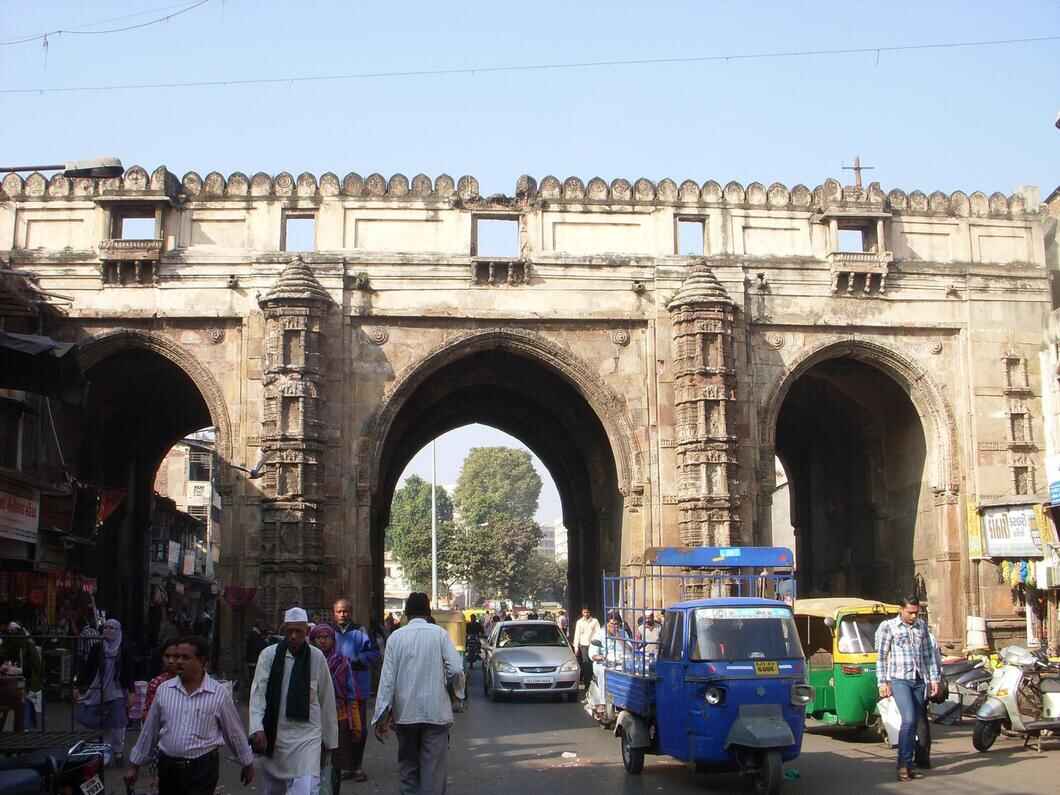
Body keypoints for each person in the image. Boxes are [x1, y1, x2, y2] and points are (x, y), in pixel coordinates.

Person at [125, 636, 254, 795]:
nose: (178, 661)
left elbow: (234, 732)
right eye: (177, 656)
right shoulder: (164, 690)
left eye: (185, 657)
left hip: (202, 769)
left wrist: (247, 763)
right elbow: (149, 731)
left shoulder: (218, 693)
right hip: (168, 768)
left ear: (202, 661)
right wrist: (134, 765)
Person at [372, 593, 464, 795]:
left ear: (406, 613)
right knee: (433, 772)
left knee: (408, 770)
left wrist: (381, 716)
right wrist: (457, 693)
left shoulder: (396, 637)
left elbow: (387, 680)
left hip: (405, 716)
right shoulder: (439, 634)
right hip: (436, 714)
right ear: (428, 611)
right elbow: (456, 669)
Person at [250, 607, 339, 795]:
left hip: (307, 737)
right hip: (276, 735)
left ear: (306, 631)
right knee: (275, 790)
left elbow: (326, 700)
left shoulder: (316, 657)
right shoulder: (268, 656)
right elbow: (258, 694)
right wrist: (257, 727)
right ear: (283, 631)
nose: (293, 636)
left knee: (305, 789)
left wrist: (330, 743)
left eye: (298, 631)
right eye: (289, 631)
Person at [875, 595, 941, 783]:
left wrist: (934, 679)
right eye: (910, 612)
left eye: (916, 612)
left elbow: (929, 654)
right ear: (900, 610)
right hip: (899, 680)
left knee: (918, 722)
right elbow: (881, 656)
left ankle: (910, 763)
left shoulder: (922, 627)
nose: (913, 616)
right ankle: (903, 764)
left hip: (919, 680)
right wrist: (883, 682)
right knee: (909, 719)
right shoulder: (888, 627)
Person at [330, 598, 379, 784]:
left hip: (357, 687)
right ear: (333, 613)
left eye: (346, 611)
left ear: (350, 612)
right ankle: (345, 765)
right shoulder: (328, 633)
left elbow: (374, 654)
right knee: (339, 728)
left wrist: (357, 659)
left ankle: (357, 766)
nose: (342, 614)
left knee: (358, 727)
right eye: (339, 611)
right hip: (335, 689)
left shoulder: (361, 632)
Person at [309, 625, 361, 795]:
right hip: (312, 719)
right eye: (319, 637)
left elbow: (351, 693)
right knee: (312, 762)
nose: (323, 641)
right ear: (313, 640)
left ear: (333, 639)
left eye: (327, 637)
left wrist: (356, 724)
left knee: (335, 765)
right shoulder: (307, 661)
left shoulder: (342, 662)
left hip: (339, 718)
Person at [75, 618, 134, 762]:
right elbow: (88, 667)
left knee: (118, 723)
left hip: (117, 690)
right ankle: (104, 751)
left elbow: (129, 671)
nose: (108, 630)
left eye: (112, 628)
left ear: (119, 631)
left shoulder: (124, 648)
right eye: (106, 627)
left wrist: (131, 692)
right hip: (98, 689)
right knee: (102, 722)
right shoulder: (98, 647)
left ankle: (118, 751)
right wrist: (78, 686)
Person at [0, 622, 42, 729]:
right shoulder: (21, 642)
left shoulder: (24, 644)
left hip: (29, 684)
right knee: (17, 701)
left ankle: (21, 729)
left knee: (19, 701)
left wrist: (16, 670)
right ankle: (20, 730)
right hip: (23, 683)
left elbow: (33, 667)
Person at [143, 639, 181, 716]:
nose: (170, 661)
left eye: (175, 656)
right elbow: (150, 715)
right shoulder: (156, 683)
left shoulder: (191, 683)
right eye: (167, 656)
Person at [572, 607, 600, 689]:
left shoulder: (595, 621)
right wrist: (576, 647)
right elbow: (577, 634)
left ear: (590, 613)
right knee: (586, 664)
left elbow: (598, 632)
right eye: (584, 612)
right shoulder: (579, 622)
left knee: (593, 663)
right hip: (583, 646)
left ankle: (594, 682)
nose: (586, 614)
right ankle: (587, 684)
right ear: (582, 613)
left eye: (587, 612)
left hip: (593, 645)